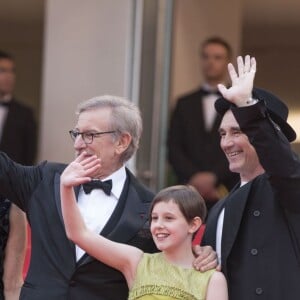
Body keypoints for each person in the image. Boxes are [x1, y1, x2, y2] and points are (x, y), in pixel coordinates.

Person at [0, 95, 215, 300]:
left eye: (89, 135)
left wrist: (203, 253)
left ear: (122, 142)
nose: (78, 144)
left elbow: (174, 257)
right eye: (76, 134)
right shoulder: (46, 180)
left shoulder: (150, 207)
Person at [60, 155, 228, 300]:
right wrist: (66, 187)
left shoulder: (212, 279)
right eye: (154, 218)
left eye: (169, 218)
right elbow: (79, 234)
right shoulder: (137, 262)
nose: (158, 225)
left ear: (194, 224)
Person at [202, 55, 300, 299]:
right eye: (222, 134)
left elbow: (284, 167)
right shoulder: (219, 208)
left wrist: (247, 106)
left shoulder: (290, 188)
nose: (226, 143)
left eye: (237, 132)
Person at [168, 37, 238, 210]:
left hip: (227, 189)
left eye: (217, 57)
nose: (210, 62)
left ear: (228, 61)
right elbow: (174, 146)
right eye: (206, 57)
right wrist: (194, 177)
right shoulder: (184, 103)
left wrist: (214, 177)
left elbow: (241, 143)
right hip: (187, 190)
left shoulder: (238, 102)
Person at [0, 49, 37, 300]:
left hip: (8, 198)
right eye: (3, 70)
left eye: (11, 71)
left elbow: (28, 157)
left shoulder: (25, 114)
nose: (8, 76)